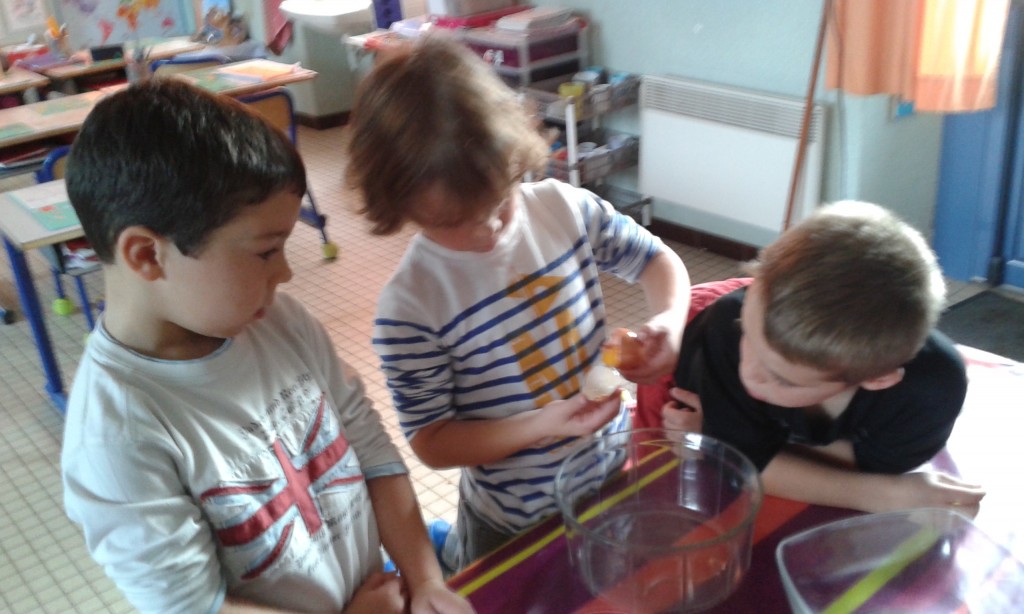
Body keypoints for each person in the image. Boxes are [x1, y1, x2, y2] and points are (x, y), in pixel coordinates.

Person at [59, 79, 473, 614]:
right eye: (266, 251)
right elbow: (195, 607)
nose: (286, 272)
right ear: (146, 255)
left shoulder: (281, 322)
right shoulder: (115, 438)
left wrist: (426, 579)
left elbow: (372, 454)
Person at [345, 34, 691, 570]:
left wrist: (669, 322)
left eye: (497, 201)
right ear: (399, 206)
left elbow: (656, 261)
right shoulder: (411, 308)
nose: (486, 230)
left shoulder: (565, 210)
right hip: (511, 522)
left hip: (612, 473)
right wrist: (541, 425)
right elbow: (433, 441)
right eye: (453, 221)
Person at [648, 201, 986, 514]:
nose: (748, 370)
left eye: (783, 379)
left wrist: (722, 440)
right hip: (693, 346)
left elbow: (875, 465)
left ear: (876, 378)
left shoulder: (932, 391)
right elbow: (743, 464)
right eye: (748, 336)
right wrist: (881, 494)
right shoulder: (730, 327)